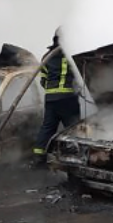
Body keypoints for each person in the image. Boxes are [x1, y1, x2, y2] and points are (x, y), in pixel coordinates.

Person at [31, 27, 80, 168]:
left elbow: (43, 81)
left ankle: (38, 158)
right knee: (72, 128)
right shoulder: (71, 55)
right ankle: (74, 157)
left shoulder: (47, 56)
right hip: (68, 98)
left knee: (47, 128)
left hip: (51, 99)